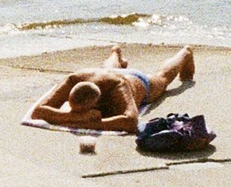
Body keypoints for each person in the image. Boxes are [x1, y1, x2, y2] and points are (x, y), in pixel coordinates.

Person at [29, 44, 196, 133]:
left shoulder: (118, 87)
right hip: (106, 72)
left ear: (98, 101)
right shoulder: (74, 79)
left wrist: (93, 123)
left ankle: (185, 54)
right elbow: (38, 111)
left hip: (136, 81)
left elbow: (131, 121)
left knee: (162, 78)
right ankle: (116, 54)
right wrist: (77, 117)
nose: (74, 114)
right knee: (111, 69)